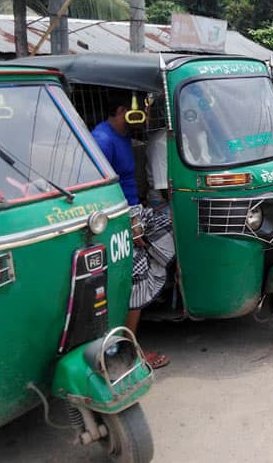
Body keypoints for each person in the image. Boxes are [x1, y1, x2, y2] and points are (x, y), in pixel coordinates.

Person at [92, 103, 172, 369]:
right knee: (137, 276)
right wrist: (131, 222)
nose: (146, 116)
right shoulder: (102, 140)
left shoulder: (123, 136)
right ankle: (129, 349)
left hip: (135, 210)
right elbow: (98, 189)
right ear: (122, 109)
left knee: (175, 225)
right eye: (141, 110)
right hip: (120, 216)